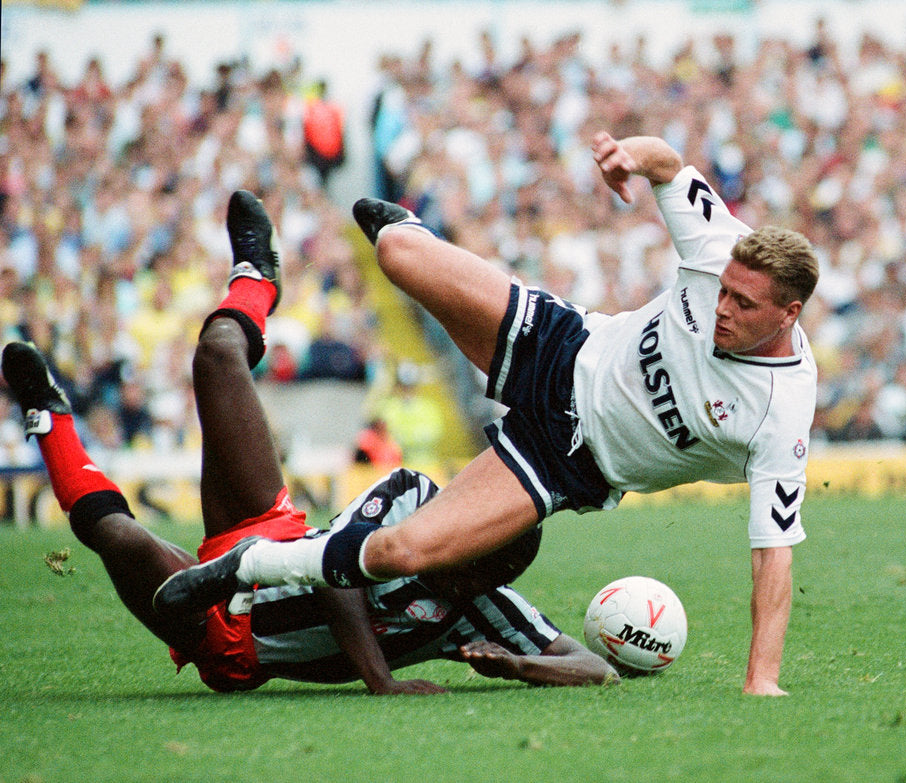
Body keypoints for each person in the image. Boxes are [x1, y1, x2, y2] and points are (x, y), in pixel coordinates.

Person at [157, 132, 820, 696]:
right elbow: (669, 164)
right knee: (395, 254)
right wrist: (629, 156)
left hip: (563, 461)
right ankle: (403, 229)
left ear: (788, 314)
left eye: (743, 305)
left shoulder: (779, 413)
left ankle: (247, 567)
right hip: (563, 349)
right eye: (722, 292)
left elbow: (774, 556)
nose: (722, 308)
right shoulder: (719, 245)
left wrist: (761, 678)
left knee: (400, 550)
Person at [0, 191, 615, 693]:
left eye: (489, 577)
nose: (470, 583)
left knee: (117, 535)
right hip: (276, 536)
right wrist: (382, 682)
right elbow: (336, 576)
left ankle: (50, 420)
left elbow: (593, 668)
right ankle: (256, 279)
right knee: (216, 356)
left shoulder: (483, 608)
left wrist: (519, 664)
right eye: (476, 563)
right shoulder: (412, 496)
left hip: (230, 639)